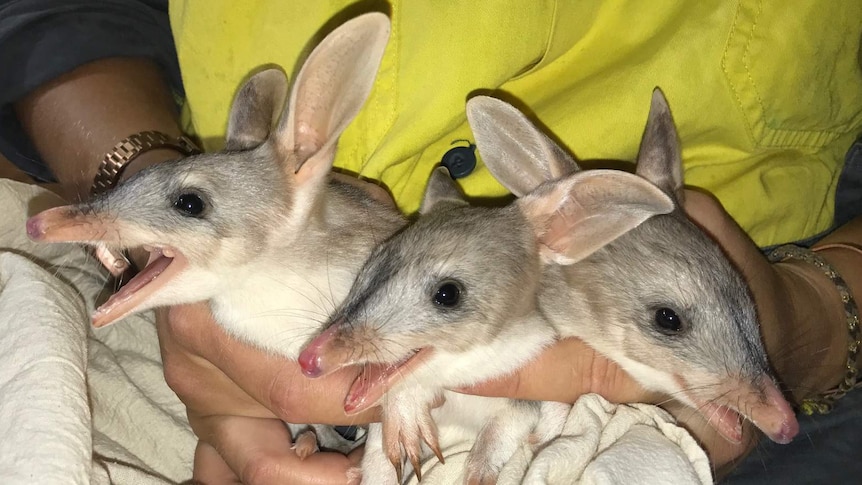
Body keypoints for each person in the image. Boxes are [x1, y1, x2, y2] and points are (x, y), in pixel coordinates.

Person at [1, 0, 861, 483]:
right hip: (213, 287)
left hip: (781, 312)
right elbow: (57, 14)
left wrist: (823, 319)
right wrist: (165, 196)